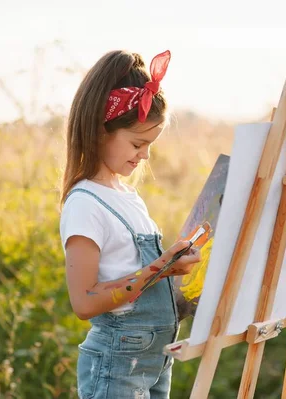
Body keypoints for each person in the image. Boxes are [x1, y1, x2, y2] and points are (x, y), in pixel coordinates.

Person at [59, 49, 201, 399]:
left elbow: (143, 280)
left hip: (153, 361)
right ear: (100, 131)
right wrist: (160, 268)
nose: (145, 155)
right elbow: (85, 302)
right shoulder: (85, 205)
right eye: (138, 143)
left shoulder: (128, 197)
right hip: (117, 364)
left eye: (150, 144)